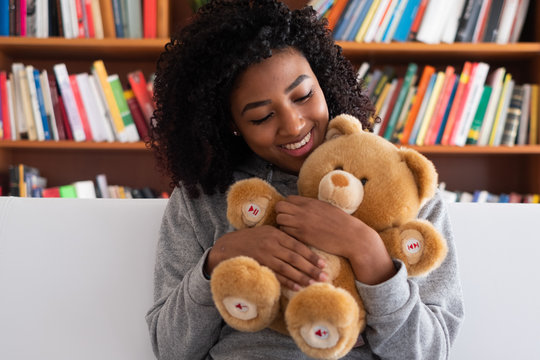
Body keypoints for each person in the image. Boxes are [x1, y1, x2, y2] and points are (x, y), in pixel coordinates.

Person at [145, 1, 464, 359]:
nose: (294, 125)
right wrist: (220, 257)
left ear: (323, 81)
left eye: (304, 96)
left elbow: (430, 351)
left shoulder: (400, 184)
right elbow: (170, 349)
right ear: (232, 124)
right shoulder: (202, 198)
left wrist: (367, 250)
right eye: (263, 116)